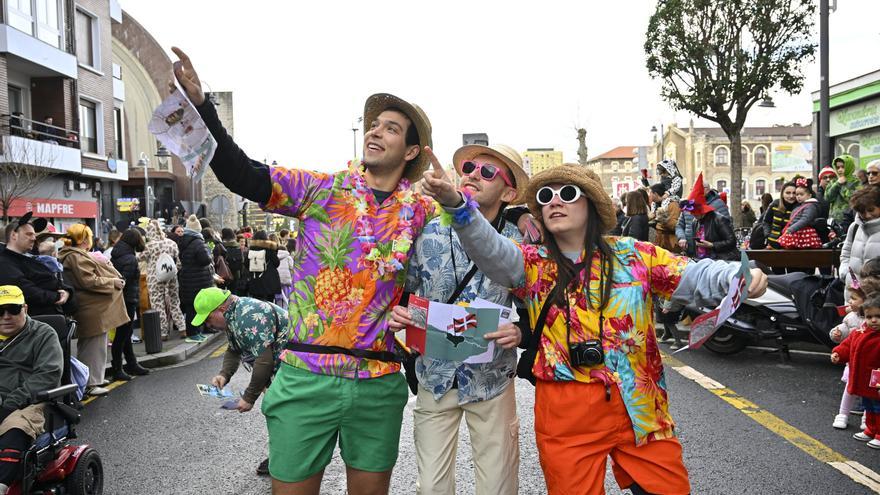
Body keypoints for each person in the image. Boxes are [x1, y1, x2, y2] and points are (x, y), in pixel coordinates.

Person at [175, 47, 439, 493]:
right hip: (304, 375)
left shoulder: (425, 211)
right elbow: (243, 173)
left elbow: (466, 256)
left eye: (390, 128)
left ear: (411, 150)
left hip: (377, 381)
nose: (374, 132)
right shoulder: (322, 190)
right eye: (372, 125)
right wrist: (204, 108)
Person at [419, 160, 768, 494]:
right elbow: (490, 248)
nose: (555, 201)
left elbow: (692, 274)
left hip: (640, 406)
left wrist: (740, 274)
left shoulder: (636, 256)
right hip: (565, 412)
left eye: (567, 194)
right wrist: (458, 205)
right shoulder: (532, 264)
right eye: (545, 197)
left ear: (590, 205)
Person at [388, 143, 528, 495]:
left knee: (498, 486)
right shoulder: (428, 231)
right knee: (432, 488)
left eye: (487, 172)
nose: (472, 175)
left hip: (491, 378)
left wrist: (521, 331)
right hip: (434, 374)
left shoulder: (520, 241)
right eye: (468, 167)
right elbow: (407, 290)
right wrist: (400, 312)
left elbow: (536, 302)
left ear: (509, 191)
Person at [195, 287, 290, 477]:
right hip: (277, 364)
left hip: (288, 365)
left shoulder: (246, 317)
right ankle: (283, 455)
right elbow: (233, 349)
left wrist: (249, 398)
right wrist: (224, 374)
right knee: (277, 411)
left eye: (208, 318)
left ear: (221, 309)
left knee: (281, 411)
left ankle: (286, 459)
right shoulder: (233, 315)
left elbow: (264, 361)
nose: (208, 325)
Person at [0, 285, 63, 494]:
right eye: (0, 311)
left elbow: (48, 375)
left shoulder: (44, 334)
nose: (6, 316)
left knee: (15, 427)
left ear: (25, 308)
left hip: (29, 401)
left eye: (13, 309)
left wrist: (11, 403)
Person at [58, 224, 128, 396]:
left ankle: (94, 377)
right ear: (84, 239)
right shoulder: (75, 256)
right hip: (90, 309)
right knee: (92, 346)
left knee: (97, 344)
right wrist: (112, 282)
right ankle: (90, 382)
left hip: (92, 308)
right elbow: (89, 281)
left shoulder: (73, 255)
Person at [831, 293, 880, 450]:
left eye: (878, 316)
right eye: (869, 316)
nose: (873, 320)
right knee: (869, 407)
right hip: (865, 382)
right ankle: (871, 430)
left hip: (877, 382)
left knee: (878, 408)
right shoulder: (859, 332)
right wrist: (838, 353)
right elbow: (847, 345)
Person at [0, 213, 72, 317]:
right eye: (28, 234)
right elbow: (27, 291)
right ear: (14, 235)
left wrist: (67, 291)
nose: (34, 238)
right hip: (36, 322)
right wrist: (57, 296)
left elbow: (58, 282)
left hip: (51, 319)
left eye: (34, 234)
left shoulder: (30, 258)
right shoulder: (5, 263)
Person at [109, 229, 150, 381]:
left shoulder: (118, 254)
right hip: (127, 300)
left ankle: (131, 364)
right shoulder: (130, 259)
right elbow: (124, 281)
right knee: (122, 336)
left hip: (122, 299)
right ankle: (118, 368)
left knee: (125, 334)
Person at [142, 221, 187, 340]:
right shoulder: (171, 243)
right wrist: (173, 271)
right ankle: (182, 327)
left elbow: (140, 257)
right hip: (171, 275)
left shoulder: (150, 245)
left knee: (158, 304)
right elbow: (178, 261)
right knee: (174, 301)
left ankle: (163, 332)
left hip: (155, 277)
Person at [678, 174, 739, 261]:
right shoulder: (695, 221)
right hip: (703, 261)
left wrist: (712, 245)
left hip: (721, 261)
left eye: (695, 213)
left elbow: (732, 242)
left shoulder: (719, 219)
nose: (693, 215)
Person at [830, 283, 865, 430]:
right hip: (853, 360)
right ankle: (842, 414)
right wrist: (836, 334)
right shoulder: (851, 317)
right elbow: (844, 334)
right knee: (849, 389)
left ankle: (868, 418)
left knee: (870, 393)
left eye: (854, 298)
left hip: (871, 363)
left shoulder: (872, 319)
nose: (850, 301)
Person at [177, 215, 214, 343]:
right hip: (198, 280)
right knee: (196, 308)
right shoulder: (198, 242)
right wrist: (209, 253)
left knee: (191, 308)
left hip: (187, 279)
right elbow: (205, 260)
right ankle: (194, 333)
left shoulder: (184, 241)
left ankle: (194, 332)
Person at [839, 186, 880, 292]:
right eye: (862, 211)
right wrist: (845, 273)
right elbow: (846, 253)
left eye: (871, 210)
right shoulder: (855, 227)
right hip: (853, 293)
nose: (867, 215)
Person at [777, 178, 822, 250]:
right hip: (797, 233)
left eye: (801, 194)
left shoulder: (810, 206)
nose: (798, 197)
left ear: (809, 196)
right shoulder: (801, 206)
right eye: (797, 194)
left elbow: (805, 219)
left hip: (804, 234)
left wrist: (791, 229)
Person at [246, 230, 281, 303]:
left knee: (257, 303)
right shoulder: (270, 249)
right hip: (269, 280)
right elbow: (276, 263)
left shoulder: (250, 250)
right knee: (270, 303)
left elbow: (246, 263)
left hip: (255, 280)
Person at [762, 181, 797, 249]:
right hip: (773, 244)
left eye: (794, 193)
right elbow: (766, 221)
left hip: (790, 246)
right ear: (782, 194)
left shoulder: (799, 207)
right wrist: (768, 235)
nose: (791, 196)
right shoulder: (775, 204)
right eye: (788, 193)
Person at [825, 154, 859, 225]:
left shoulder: (856, 182)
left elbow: (852, 199)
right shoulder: (834, 181)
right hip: (834, 220)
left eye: (843, 167)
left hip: (850, 220)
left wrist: (842, 184)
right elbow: (828, 198)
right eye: (837, 167)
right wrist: (837, 184)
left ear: (849, 166)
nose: (840, 170)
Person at [649, 182, 681, 253]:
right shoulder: (655, 206)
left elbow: (675, 225)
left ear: (655, 194)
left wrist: (663, 220)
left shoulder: (673, 204)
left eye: (650, 193)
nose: (649, 195)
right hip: (661, 244)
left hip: (671, 245)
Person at [221, 228, 247, 296]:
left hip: (223, 273)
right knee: (234, 293)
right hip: (235, 273)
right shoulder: (237, 245)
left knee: (222, 293)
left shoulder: (221, 245)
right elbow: (242, 261)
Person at [275, 241, 294, 309]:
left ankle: (279, 310)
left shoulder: (275, 257)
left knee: (278, 299)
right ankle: (285, 311)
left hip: (277, 280)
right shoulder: (288, 257)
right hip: (286, 280)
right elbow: (292, 268)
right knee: (287, 298)